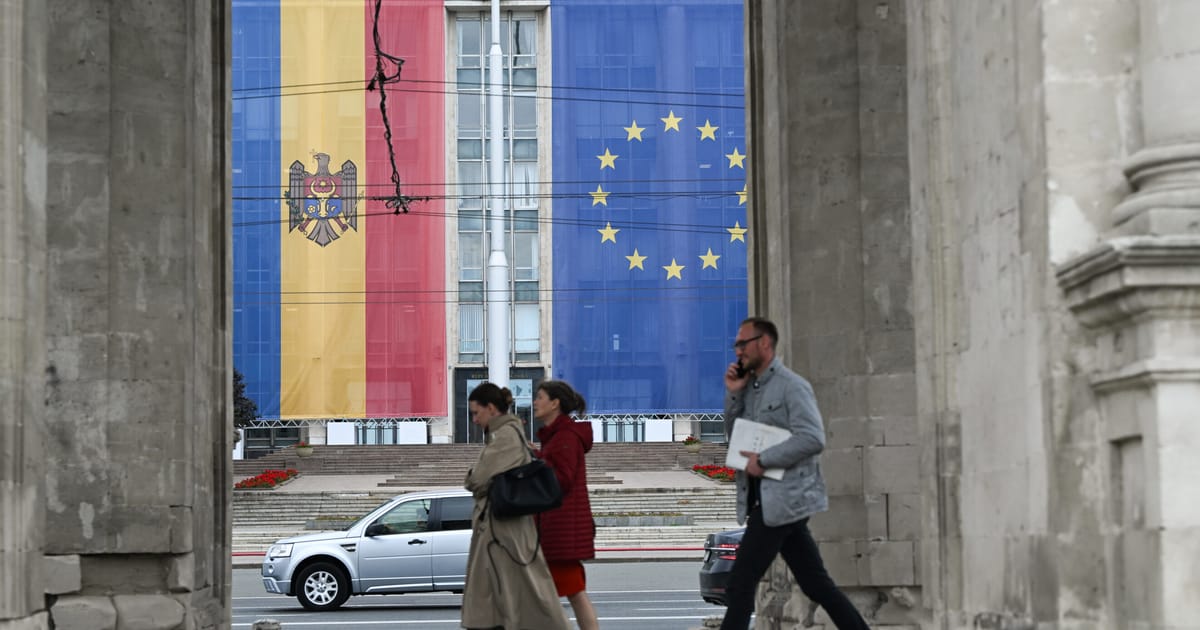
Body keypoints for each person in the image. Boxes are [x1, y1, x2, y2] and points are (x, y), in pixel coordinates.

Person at [720, 317, 870, 630]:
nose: (738, 351)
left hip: (784, 500)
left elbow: (813, 437)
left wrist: (766, 458)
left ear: (764, 343)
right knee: (816, 584)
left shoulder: (792, 386)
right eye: (737, 345)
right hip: (765, 502)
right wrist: (734, 394)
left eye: (743, 344)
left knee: (740, 584)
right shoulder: (750, 387)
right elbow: (736, 435)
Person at [462, 382, 569, 630]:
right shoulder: (502, 434)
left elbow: (477, 480)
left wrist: (473, 477)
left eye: (477, 413)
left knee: (522, 594)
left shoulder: (506, 435)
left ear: (491, 408)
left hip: (503, 533)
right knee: (506, 594)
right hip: (499, 532)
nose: (475, 420)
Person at [532, 380, 599, 630]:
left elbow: (562, 479)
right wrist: (539, 456)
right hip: (560, 529)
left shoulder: (565, 436)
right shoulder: (558, 436)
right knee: (571, 594)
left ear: (555, 403)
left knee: (564, 595)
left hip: (560, 531)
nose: (535, 403)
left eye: (540, 397)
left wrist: (536, 463)